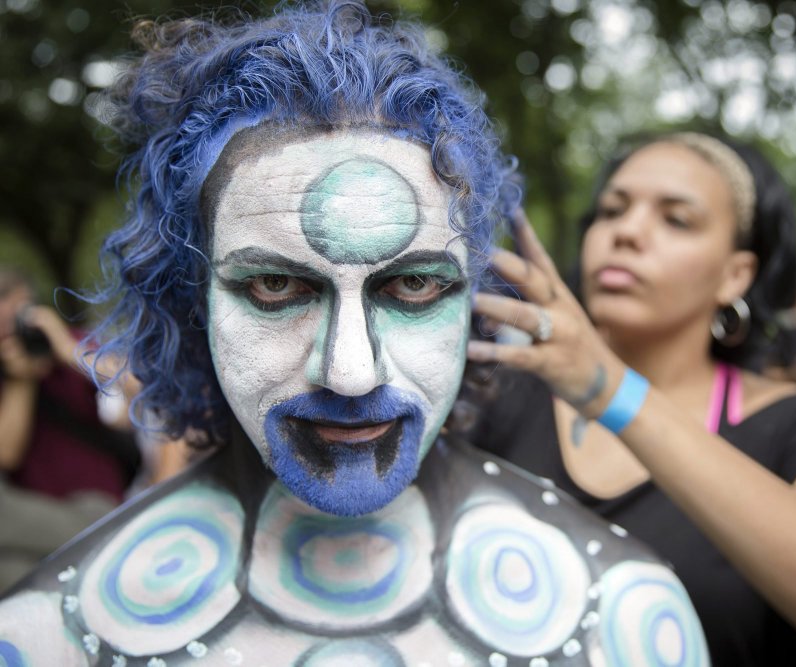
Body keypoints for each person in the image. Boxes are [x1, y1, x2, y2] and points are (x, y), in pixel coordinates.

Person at [0, 3, 709, 665]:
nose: (350, 372)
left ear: (476, 303)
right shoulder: (51, 637)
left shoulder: (615, 623)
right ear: (194, 302)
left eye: (412, 286)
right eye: (276, 286)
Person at [464, 132, 796, 666]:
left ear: (734, 274)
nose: (627, 231)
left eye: (676, 219)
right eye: (611, 210)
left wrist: (613, 391)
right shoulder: (501, 391)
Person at [0, 269, 138, 591]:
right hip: (33, 530)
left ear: (26, 298)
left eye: (6, 296)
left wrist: (64, 348)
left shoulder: (75, 345)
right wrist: (23, 380)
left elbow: (145, 389)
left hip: (96, 510)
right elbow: (7, 454)